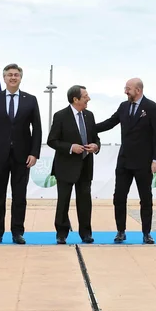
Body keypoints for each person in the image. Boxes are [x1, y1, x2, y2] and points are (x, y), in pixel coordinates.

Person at [94, 78, 156, 244]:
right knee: (119, 196)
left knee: (145, 198)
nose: (126, 91)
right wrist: (89, 126)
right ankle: (120, 231)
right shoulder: (124, 106)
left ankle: (146, 232)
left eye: (128, 89)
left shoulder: (151, 107)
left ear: (138, 90)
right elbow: (111, 122)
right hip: (124, 160)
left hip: (144, 161)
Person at [0, 63, 42, 245]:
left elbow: (37, 128)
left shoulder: (30, 100)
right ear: (4, 78)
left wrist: (34, 153)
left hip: (23, 156)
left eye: (16, 75)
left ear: (20, 78)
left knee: (19, 196)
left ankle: (17, 232)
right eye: (9, 75)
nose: (13, 77)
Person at [47, 85, 101, 244]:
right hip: (65, 166)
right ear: (75, 99)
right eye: (85, 96)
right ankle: (61, 233)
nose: (88, 99)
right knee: (63, 200)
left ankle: (86, 233)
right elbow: (52, 140)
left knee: (85, 200)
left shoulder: (89, 116)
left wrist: (96, 146)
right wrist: (71, 147)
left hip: (86, 166)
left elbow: (95, 138)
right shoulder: (61, 116)